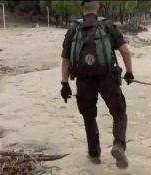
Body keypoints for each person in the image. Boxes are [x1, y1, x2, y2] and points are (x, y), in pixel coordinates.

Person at [60, 0, 134, 169]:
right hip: (107, 78)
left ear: (82, 10)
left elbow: (65, 60)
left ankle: (94, 155)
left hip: (83, 81)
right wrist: (129, 72)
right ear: (98, 8)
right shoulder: (107, 25)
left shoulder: (73, 29)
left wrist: (64, 84)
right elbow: (125, 51)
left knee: (89, 116)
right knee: (119, 112)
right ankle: (119, 145)